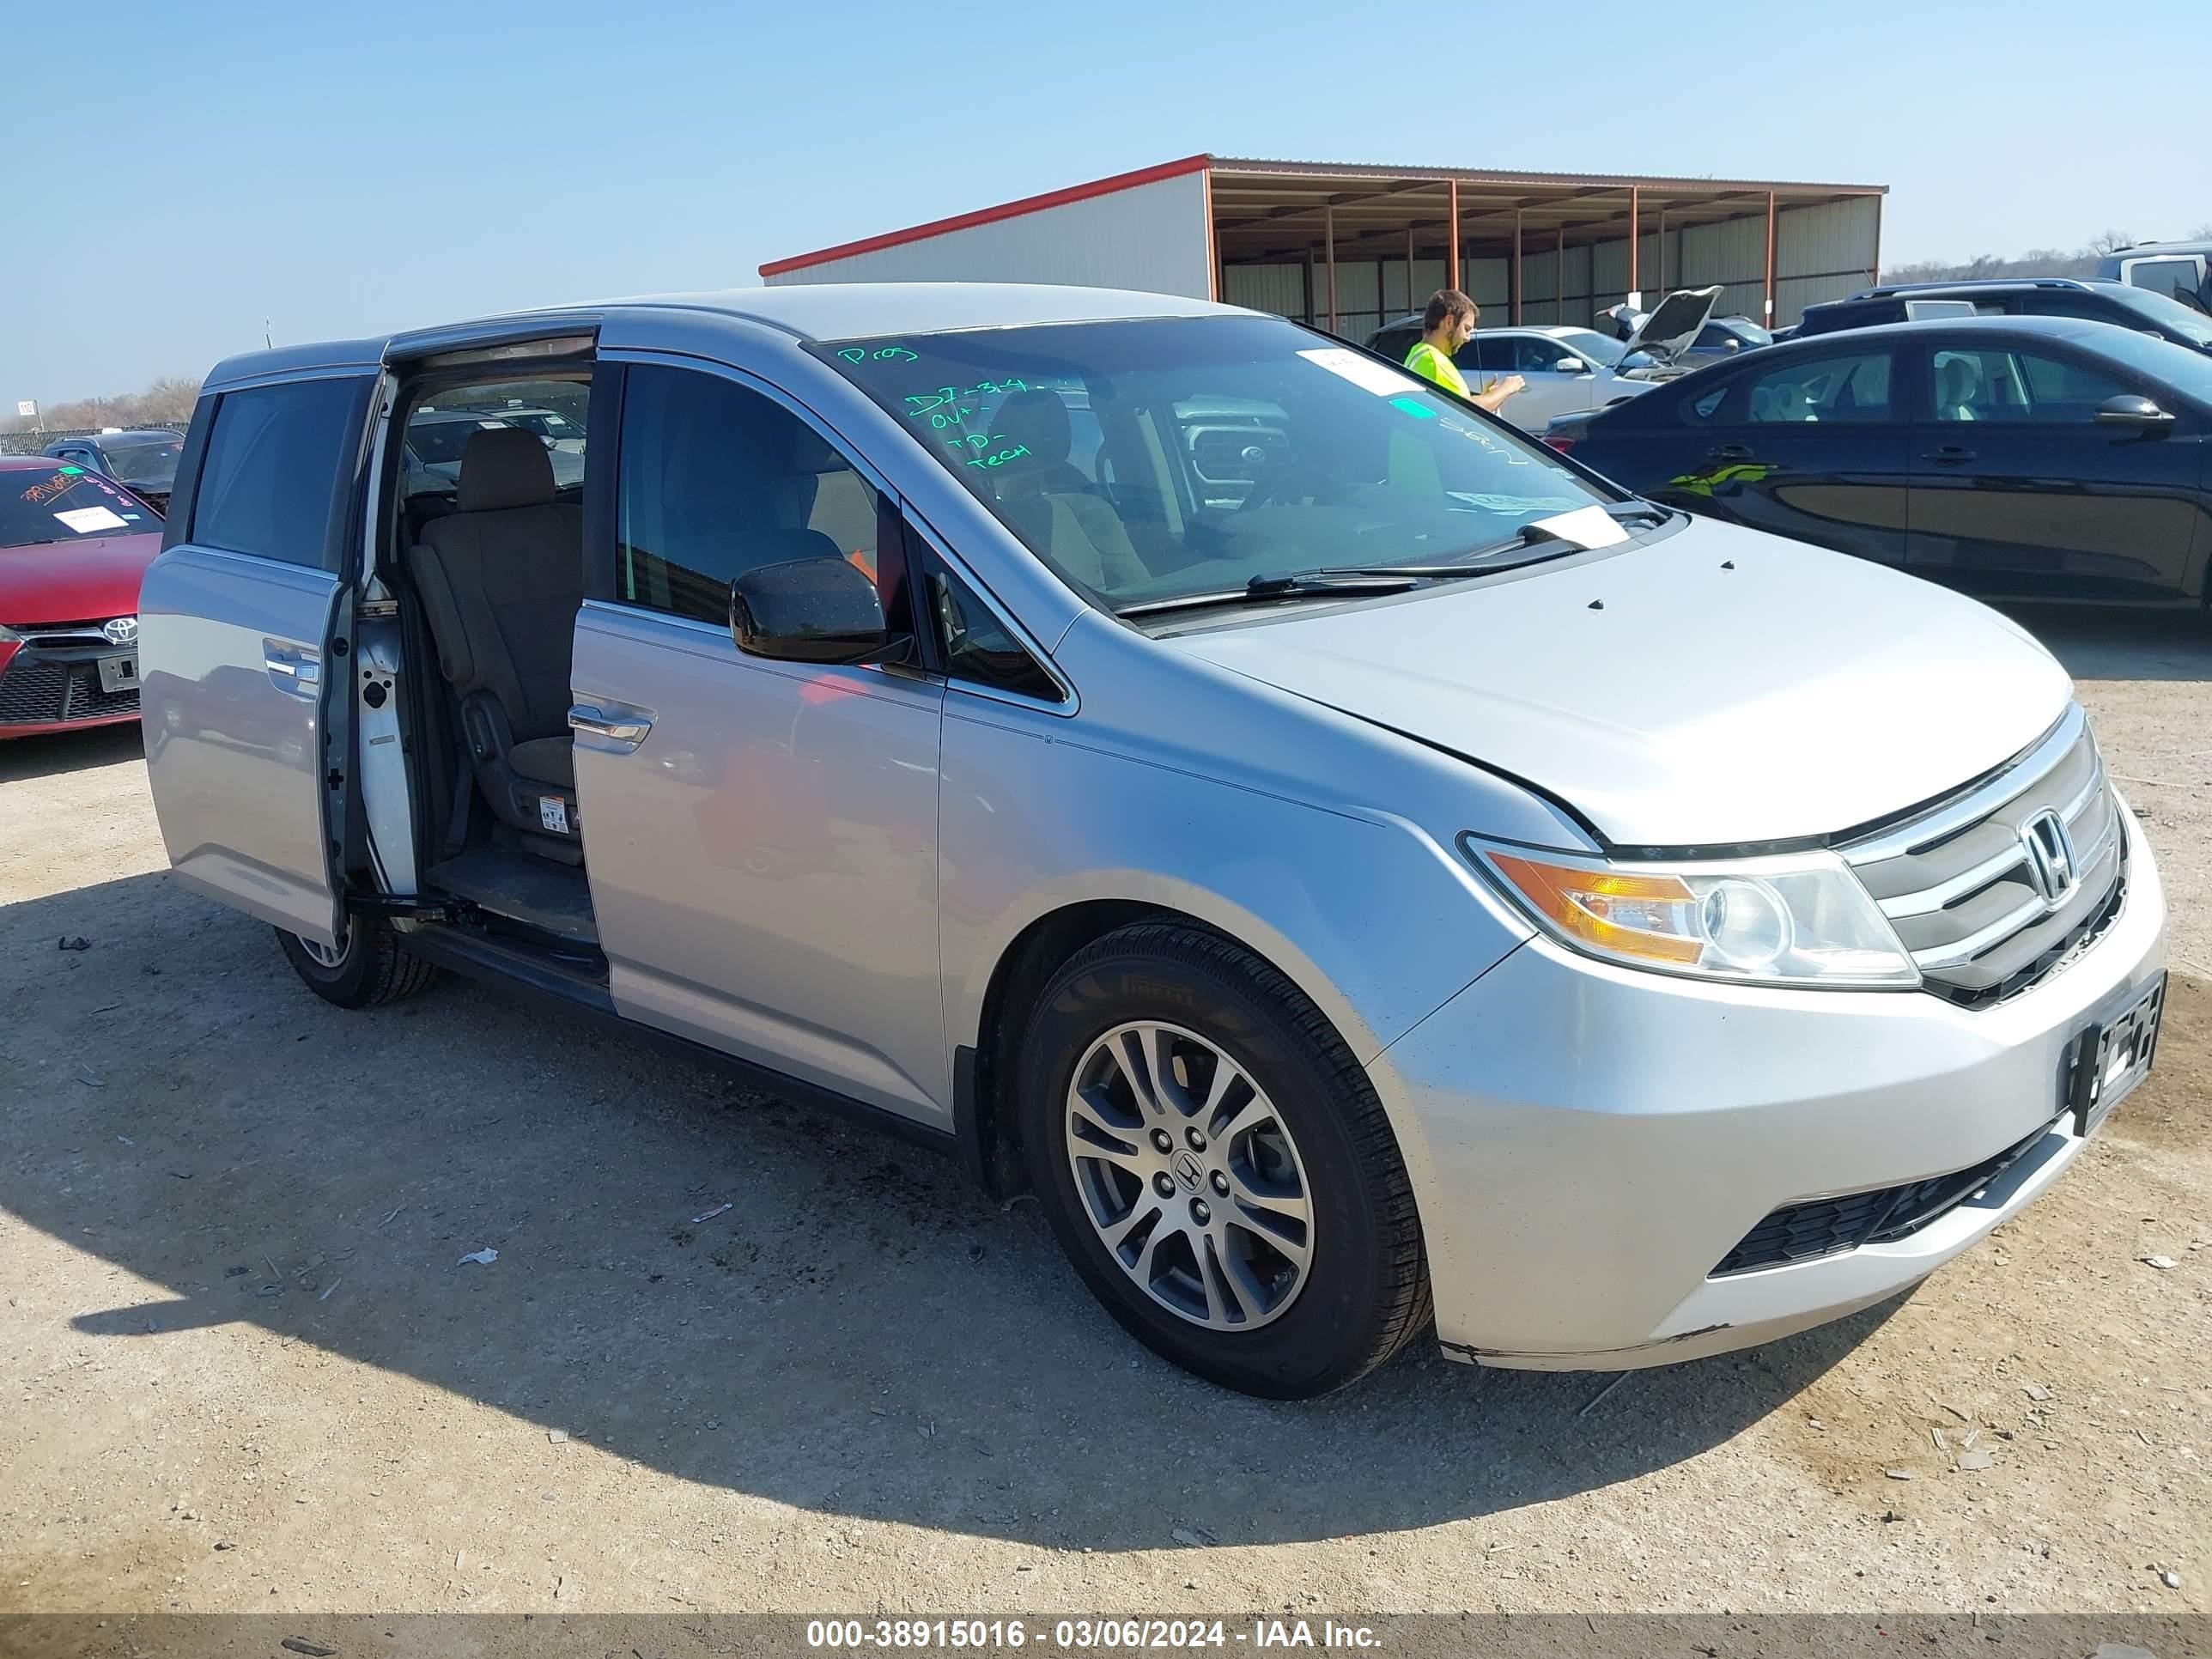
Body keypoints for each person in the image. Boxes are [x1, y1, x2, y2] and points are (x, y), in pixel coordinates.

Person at [1402, 289, 1523, 415]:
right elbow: (1467, 412)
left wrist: (1486, 397)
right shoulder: (1434, 362)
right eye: (1466, 329)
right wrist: (1506, 389)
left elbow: (1449, 408)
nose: (1467, 337)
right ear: (1449, 321)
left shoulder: (1418, 352)